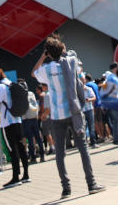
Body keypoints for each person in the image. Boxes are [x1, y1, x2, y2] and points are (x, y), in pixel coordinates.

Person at [32, 36, 105, 199]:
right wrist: (61, 51)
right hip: (74, 111)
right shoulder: (71, 62)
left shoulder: (47, 69)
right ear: (62, 50)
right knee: (83, 148)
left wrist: (44, 56)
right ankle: (91, 183)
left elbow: (33, 72)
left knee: (60, 152)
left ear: (49, 53)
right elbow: (78, 67)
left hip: (57, 115)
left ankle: (66, 188)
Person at [0, 68, 29, 187]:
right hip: (18, 120)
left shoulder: (1, 87)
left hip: (7, 122)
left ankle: (15, 177)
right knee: (22, 147)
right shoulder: (11, 84)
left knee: (12, 149)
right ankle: (26, 175)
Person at [98, 66, 118, 146]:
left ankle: (116, 139)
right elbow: (117, 93)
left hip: (109, 105)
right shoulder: (113, 81)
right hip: (117, 103)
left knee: (115, 122)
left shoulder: (105, 84)